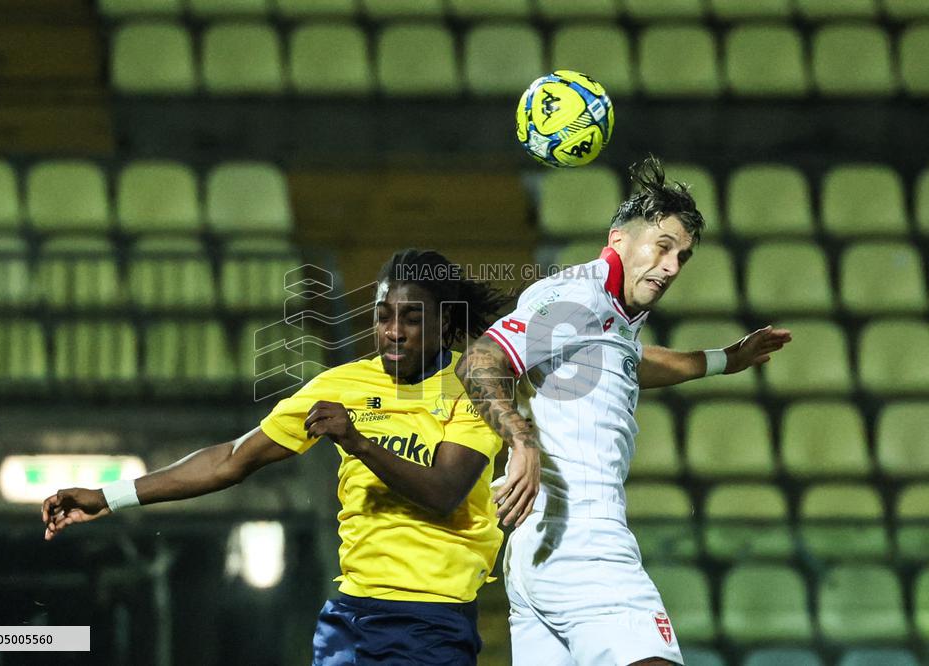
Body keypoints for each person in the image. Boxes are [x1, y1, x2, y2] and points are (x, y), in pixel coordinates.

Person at [42, 248, 531, 665]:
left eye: (411, 318)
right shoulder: (343, 384)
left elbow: (444, 492)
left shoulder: (474, 390)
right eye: (383, 317)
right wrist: (108, 497)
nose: (393, 332)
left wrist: (359, 442)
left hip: (431, 619)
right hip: (351, 615)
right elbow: (231, 459)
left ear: (444, 320)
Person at [456, 156, 792, 666]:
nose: (671, 267)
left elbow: (629, 361)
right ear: (618, 240)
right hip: (587, 541)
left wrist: (725, 359)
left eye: (683, 256)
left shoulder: (609, 315)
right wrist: (520, 438)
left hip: (536, 552)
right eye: (662, 247)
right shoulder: (577, 298)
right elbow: (481, 361)